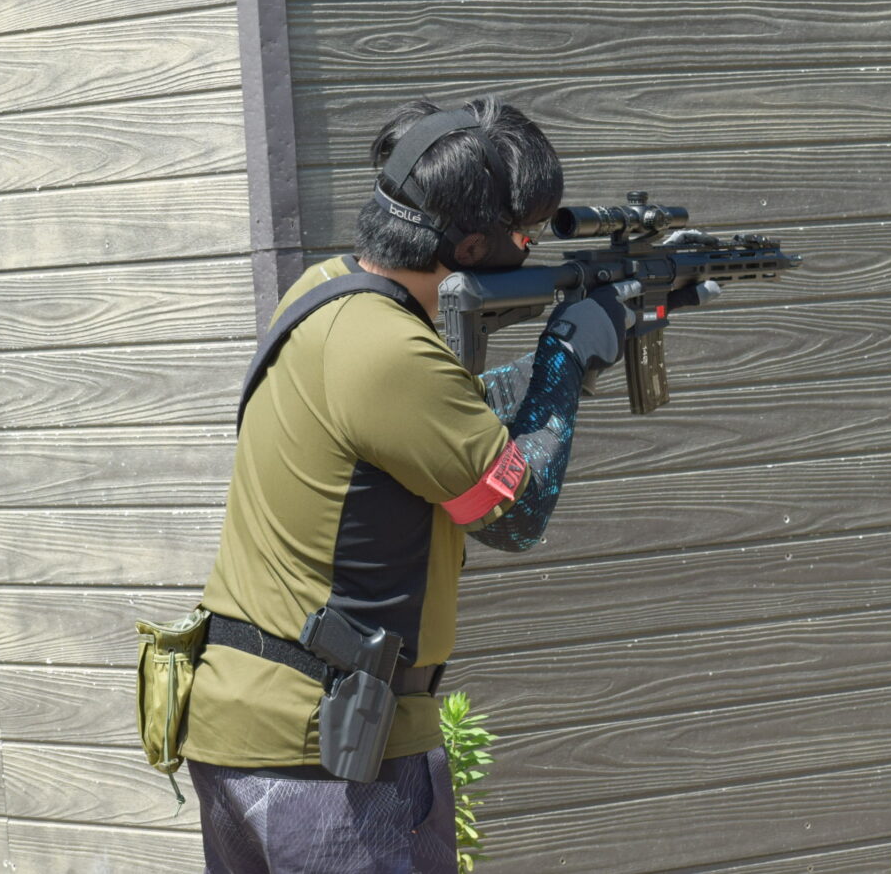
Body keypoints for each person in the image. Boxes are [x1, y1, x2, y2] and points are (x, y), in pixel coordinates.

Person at [180, 96, 639, 874]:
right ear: (471, 245)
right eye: (525, 235)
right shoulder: (390, 349)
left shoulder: (327, 293)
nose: (532, 248)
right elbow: (516, 515)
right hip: (326, 759)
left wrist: (549, 368)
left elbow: (431, 422)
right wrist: (566, 357)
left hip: (250, 732)